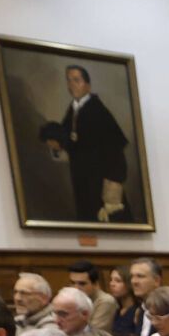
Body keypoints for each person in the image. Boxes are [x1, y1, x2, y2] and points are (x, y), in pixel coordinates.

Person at [38, 64, 131, 222]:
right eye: (69, 80)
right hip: (81, 178)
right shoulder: (73, 109)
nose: (71, 84)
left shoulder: (98, 110)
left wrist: (112, 195)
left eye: (76, 80)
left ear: (87, 85)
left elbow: (115, 149)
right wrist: (57, 144)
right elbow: (68, 139)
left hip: (101, 182)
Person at [69, 260, 117, 330]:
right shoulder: (70, 299)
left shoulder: (106, 301)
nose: (76, 288)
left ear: (95, 284)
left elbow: (93, 332)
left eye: (82, 284)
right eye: (72, 283)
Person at [107, 265, 145, 336]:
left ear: (129, 284)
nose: (112, 284)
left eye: (118, 281)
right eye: (111, 280)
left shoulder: (138, 311)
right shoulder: (118, 310)